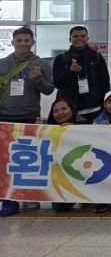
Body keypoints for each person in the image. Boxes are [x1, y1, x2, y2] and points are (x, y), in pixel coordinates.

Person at [0, 27, 54, 217]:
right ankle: (8, 198)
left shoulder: (41, 64)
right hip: (3, 117)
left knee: (28, 159)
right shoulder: (2, 63)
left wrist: (38, 80)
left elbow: (49, 89)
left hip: (28, 117)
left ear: (33, 42)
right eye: (19, 40)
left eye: (26, 40)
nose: (23, 43)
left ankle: (29, 194)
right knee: (5, 161)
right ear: (12, 42)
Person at [53, 25, 110, 123]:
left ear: (87, 38)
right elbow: (58, 84)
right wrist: (71, 72)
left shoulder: (97, 57)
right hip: (69, 110)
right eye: (75, 36)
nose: (79, 38)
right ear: (70, 39)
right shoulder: (61, 59)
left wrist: (105, 104)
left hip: (95, 109)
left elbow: (105, 83)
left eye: (82, 36)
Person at [46, 97, 86, 213]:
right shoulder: (47, 129)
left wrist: (74, 128)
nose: (60, 113)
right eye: (56, 111)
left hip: (85, 171)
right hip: (62, 177)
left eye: (64, 109)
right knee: (59, 208)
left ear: (72, 109)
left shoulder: (85, 124)